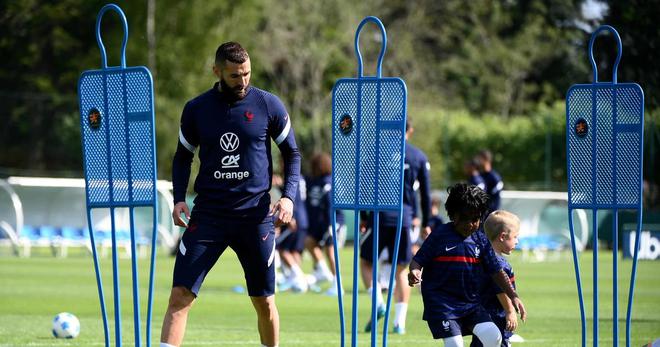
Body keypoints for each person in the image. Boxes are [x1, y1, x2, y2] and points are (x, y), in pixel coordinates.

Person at [160, 42, 300, 347]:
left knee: (264, 302)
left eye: (247, 73)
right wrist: (179, 198)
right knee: (180, 296)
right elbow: (183, 156)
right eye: (235, 75)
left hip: (255, 218)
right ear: (217, 71)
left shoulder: (268, 105)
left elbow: (292, 152)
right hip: (209, 217)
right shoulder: (197, 109)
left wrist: (288, 196)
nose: (243, 81)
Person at [408, 183, 526, 347]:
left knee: (493, 337)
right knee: (455, 344)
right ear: (454, 216)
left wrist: (513, 296)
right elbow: (418, 260)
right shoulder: (440, 235)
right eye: (467, 219)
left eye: (476, 219)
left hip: (470, 304)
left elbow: (496, 271)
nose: (472, 224)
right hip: (442, 305)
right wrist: (414, 271)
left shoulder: (480, 240)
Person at [360, 119, 432, 334]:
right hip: (404, 218)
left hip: (378, 216)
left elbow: (364, 184)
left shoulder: (375, 152)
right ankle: (398, 322)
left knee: (366, 263)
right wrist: (427, 221)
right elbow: (425, 194)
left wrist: (364, 216)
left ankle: (379, 304)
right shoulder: (418, 156)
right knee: (401, 270)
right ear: (409, 130)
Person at [470, 210, 521, 347]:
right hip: (495, 316)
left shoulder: (482, 257)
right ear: (503, 236)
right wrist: (510, 311)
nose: (517, 241)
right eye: (515, 237)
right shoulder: (498, 264)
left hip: (480, 315)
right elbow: (501, 290)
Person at [304, 152, 345, 296]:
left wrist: (331, 225)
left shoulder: (329, 181)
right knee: (309, 242)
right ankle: (322, 270)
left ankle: (337, 284)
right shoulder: (314, 181)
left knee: (331, 252)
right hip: (319, 223)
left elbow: (331, 204)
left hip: (333, 222)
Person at [275, 175, 309, 293]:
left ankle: (300, 278)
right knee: (295, 251)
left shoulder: (292, 179)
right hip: (304, 218)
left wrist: (292, 217)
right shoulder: (302, 178)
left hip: (295, 219)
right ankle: (296, 281)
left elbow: (294, 198)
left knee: (282, 248)